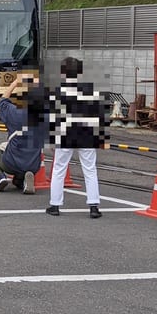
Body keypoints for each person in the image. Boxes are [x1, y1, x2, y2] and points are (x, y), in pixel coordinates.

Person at [45, 57, 106, 218]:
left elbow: (54, 118)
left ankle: (55, 205)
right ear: (80, 72)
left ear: (62, 73)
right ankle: (93, 206)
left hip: (65, 134)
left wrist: (52, 138)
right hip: (87, 134)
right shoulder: (90, 91)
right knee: (90, 170)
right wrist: (100, 137)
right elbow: (98, 116)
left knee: (59, 169)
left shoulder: (58, 92)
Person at [0, 76, 47, 194]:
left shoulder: (14, 112)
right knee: (29, 161)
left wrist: (16, 82)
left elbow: (2, 101)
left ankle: (2, 177)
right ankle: (23, 178)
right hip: (34, 163)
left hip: (12, 162)